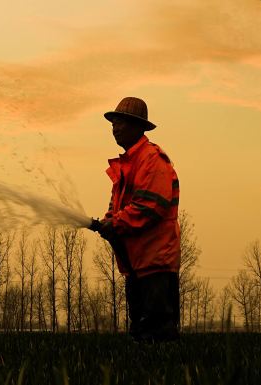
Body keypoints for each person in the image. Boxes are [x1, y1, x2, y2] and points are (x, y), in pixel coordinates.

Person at [88, 96, 181, 342]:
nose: (115, 128)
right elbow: (117, 205)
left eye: (121, 123)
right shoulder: (126, 165)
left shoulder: (151, 159)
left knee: (158, 331)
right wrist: (109, 220)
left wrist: (115, 224)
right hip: (136, 262)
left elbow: (150, 205)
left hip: (155, 260)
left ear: (138, 127)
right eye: (113, 124)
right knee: (139, 330)